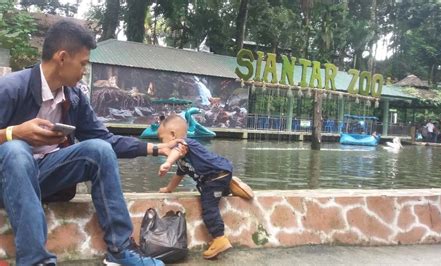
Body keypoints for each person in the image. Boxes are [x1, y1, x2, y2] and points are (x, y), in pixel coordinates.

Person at [0, 20, 179, 265]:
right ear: (62, 58)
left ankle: (120, 251)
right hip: (8, 180)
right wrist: (13, 133)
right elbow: (11, 143)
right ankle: (35, 260)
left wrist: (156, 148)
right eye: (83, 63)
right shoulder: (11, 88)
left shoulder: (74, 97)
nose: (85, 70)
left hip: (46, 176)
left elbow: (104, 139)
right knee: (16, 150)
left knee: (99, 149)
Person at [157, 114, 254, 259]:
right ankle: (230, 187)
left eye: (161, 140)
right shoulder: (183, 159)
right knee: (204, 187)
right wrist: (169, 189)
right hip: (220, 175)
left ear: (173, 135)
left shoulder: (184, 143)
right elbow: (179, 175)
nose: (162, 144)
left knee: (209, 207)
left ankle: (219, 239)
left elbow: (177, 150)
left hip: (214, 177)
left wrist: (167, 163)